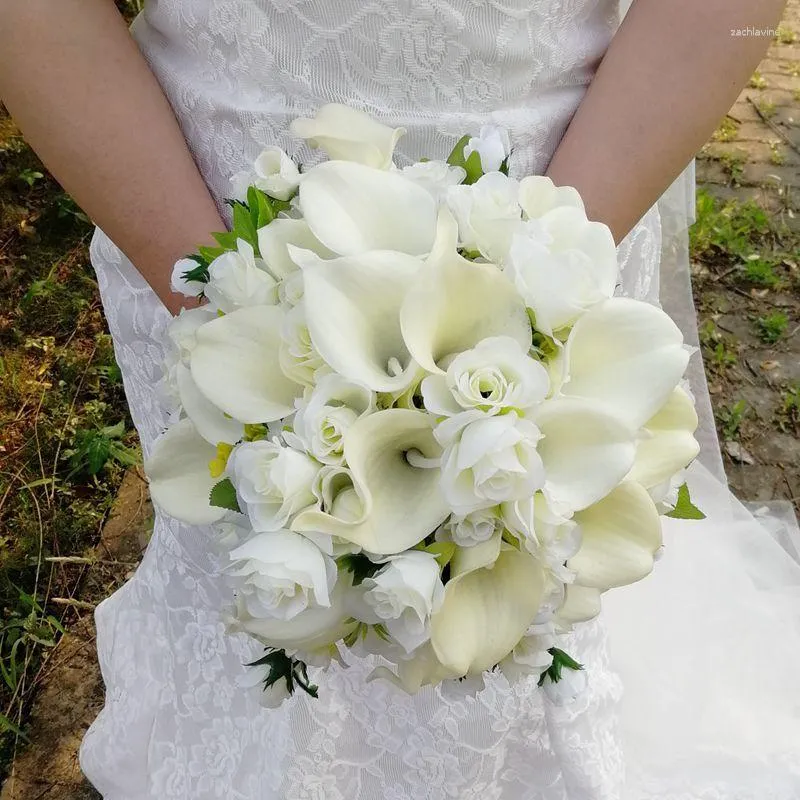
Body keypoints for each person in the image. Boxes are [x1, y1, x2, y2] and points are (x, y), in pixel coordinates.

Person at [1, 1, 799, 797]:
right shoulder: (217, 279)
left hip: (571, 194)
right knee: (254, 581)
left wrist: (533, 290)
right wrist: (228, 302)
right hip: (203, 219)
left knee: (534, 602)